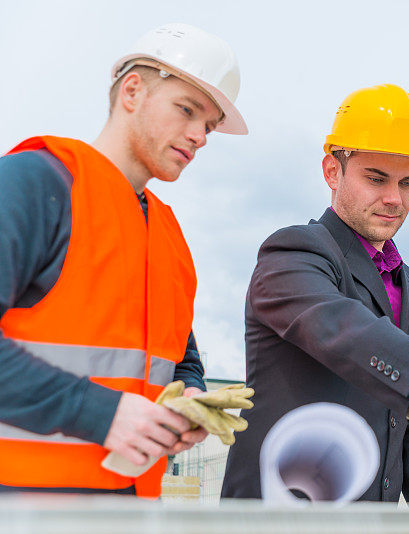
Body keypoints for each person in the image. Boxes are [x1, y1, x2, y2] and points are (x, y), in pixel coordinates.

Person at [0, 23, 247, 497]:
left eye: (210, 125)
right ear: (132, 90)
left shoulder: (168, 234)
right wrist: (100, 413)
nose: (200, 136)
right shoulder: (38, 182)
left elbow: (179, 360)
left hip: (129, 508)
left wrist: (190, 397)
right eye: (187, 110)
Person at [221, 84, 409, 502]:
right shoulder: (292, 253)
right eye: (375, 179)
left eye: (408, 182)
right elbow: (343, 328)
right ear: (332, 171)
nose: (394, 199)